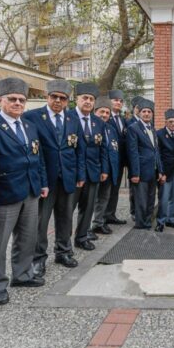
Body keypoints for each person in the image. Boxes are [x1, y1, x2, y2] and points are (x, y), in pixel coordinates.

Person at [0, 77, 47, 306]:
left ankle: (22, 275)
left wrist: (42, 183)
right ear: (0, 100)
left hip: (30, 191)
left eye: (22, 100)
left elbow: (37, 157)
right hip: (2, 194)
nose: (18, 103)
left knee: (27, 238)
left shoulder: (29, 126)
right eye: (12, 99)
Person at [24, 80, 85, 275]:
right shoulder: (32, 117)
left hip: (68, 177)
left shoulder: (73, 119)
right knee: (41, 222)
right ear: (47, 96)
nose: (58, 101)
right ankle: (38, 258)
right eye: (54, 97)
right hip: (45, 180)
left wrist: (80, 174)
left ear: (68, 101)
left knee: (66, 216)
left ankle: (64, 251)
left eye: (63, 98)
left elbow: (80, 149)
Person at [67, 82, 105, 251]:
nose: (88, 101)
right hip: (73, 173)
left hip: (93, 172)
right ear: (77, 100)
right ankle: (64, 243)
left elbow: (102, 148)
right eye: (85, 98)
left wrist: (103, 169)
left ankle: (82, 237)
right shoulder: (67, 118)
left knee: (88, 208)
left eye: (91, 99)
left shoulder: (98, 122)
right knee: (67, 210)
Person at [126, 98, 165, 230]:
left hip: (153, 172)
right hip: (141, 172)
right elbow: (133, 153)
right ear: (139, 113)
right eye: (144, 111)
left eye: (149, 111)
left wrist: (160, 170)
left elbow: (156, 152)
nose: (147, 114)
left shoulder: (153, 129)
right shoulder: (133, 128)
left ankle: (147, 222)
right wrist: (135, 173)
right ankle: (140, 224)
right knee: (141, 200)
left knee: (150, 199)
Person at [90, 97, 119, 236]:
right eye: (102, 112)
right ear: (95, 111)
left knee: (103, 199)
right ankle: (88, 228)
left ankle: (98, 223)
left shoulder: (110, 129)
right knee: (92, 201)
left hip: (108, 171)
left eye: (107, 112)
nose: (104, 115)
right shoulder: (91, 126)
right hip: (96, 171)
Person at [156, 109, 174, 229]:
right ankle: (161, 222)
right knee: (163, 198)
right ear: (166, 121)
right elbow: (158, 155)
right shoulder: (159, 134)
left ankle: (171, 219)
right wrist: (161, 172)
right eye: (170, 121)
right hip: (165, 173)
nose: (173, 123)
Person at [105, 89, 130, 226]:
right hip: (108, 161)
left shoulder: (122, 120)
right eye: (115, 100)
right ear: (109, 101)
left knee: (115, 189)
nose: (118, 103)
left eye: (121, 101)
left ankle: (111, 215)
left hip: (120, 162)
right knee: (105, 191)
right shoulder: (105, 117)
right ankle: (101, 218)